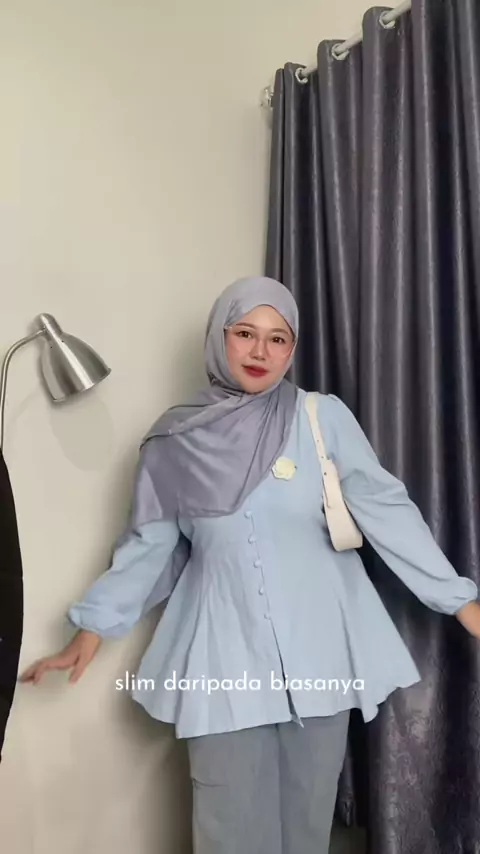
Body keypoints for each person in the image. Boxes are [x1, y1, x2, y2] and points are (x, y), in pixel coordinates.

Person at [20, 276, 480, 854]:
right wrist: (91, 630)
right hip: (222, 656)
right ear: (220, 336)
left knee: (305, 831)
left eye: (278, 338)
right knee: (229, 830)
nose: (261, 351)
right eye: (245, 333)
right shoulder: (173, 442)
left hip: (321, 656)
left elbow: (387, 510)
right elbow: (147, 547)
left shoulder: (320, 419)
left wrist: (459, 600)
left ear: (292, 349)